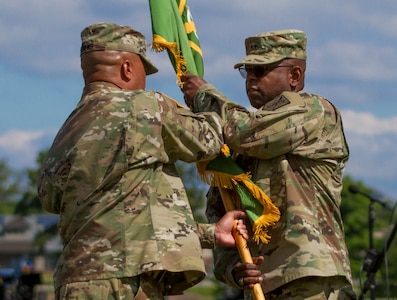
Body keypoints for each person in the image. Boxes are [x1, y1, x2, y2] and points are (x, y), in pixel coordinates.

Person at [37, 22, 248, 300]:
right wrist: (204, 94)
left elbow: (118, 220)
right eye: (142, 70)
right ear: (127, 68)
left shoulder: (66, 133)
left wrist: (211, 234)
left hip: (76, 283)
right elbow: (213, 137)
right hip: (125, 282)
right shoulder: (144, 107)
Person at [182, 29, 356, 299]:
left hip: (308, 277)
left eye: (261, 70)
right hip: (261, 287)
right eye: (247, 71)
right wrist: (235, 270)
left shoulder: (316, 112)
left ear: (294, 75)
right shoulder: (238, 147)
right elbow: (222, 216)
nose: (252, 78)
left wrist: (205, 97)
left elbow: (245, 131)